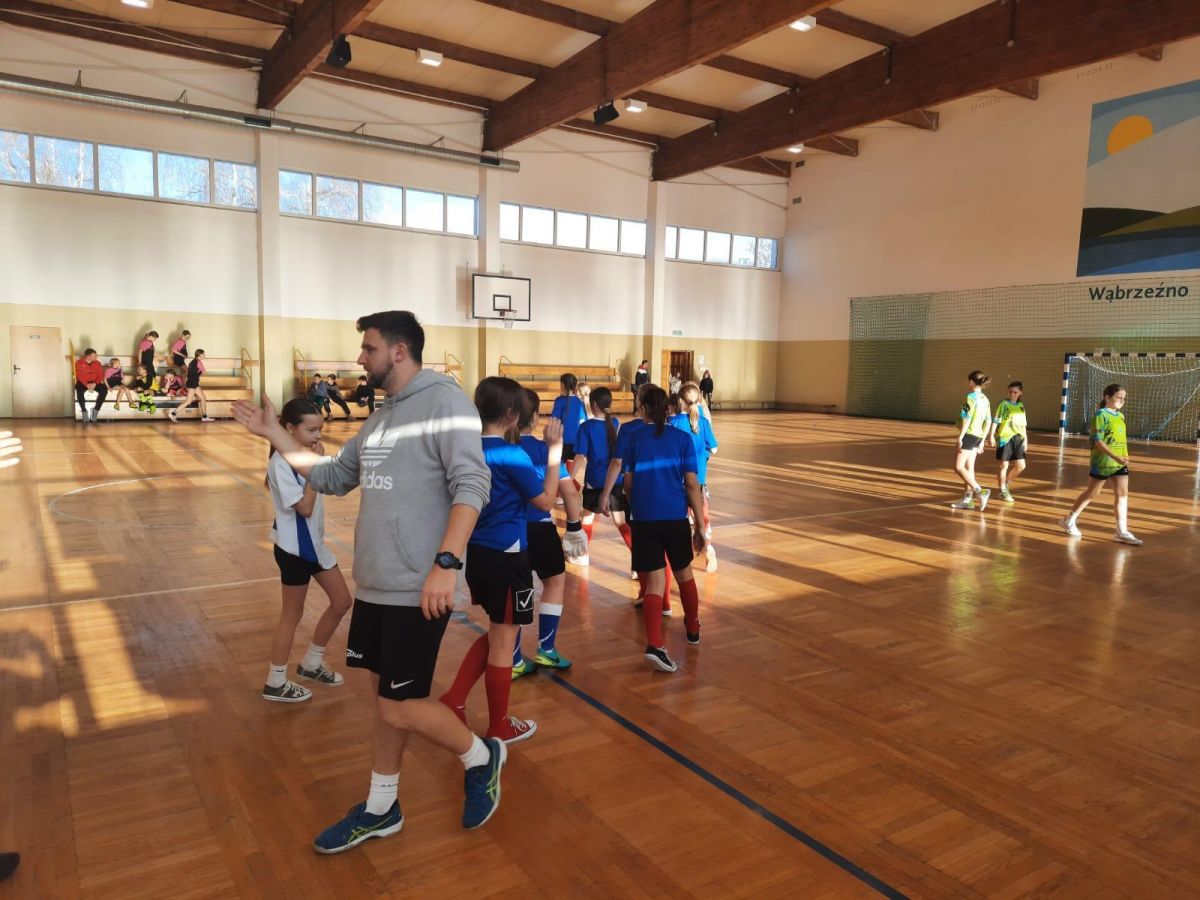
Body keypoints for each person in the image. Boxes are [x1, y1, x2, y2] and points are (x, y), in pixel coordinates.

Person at [232, 310, 504, 853]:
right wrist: (274, 435)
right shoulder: (381, 417)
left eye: (369, 348)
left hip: (419, 586)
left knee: (399, 705)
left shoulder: (445, 403)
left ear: (399, 351)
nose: (361, 358)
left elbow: (473, 483)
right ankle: (382, 807)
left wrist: (446, 564)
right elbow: (333, 476)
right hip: (378, 582)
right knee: (387, 700)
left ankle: (481, 756)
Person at [439, 377, 565, 743]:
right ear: (512, 414)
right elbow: (546, 501)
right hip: (508, 557)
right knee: (504, 639)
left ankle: (454, 700)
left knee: (499, 631)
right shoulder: (512, 455)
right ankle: (499, 726)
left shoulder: (466, 450)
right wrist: (554, 453)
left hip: (477, 554)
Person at [609, 386, 706, 673]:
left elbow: (627, 482)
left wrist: (632, 501)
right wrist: (700, 526)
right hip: (675, 517)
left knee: (654, 584)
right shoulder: (682, 438)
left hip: (644, 519)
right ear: (668, 408)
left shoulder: (633, 437)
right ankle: (692, 628)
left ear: (643, 408)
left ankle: (654, 644)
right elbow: (692, 485)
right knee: (684, 574)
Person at [262, 398, 354, 703]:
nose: (318, 435)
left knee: (342, 602)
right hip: (295, 550)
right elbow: (304, 507)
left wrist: (319, 465)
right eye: (311, 430)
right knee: (292, 615)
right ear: (290, 428)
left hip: (314, 546)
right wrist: (316, 470)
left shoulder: (303, 457)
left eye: (320, 429)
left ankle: (312, 662)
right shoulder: (280, 463)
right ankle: (276, 681)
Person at [512, 388, 587, 677]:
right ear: (534, 418)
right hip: (541, 529)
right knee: (554, 582)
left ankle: (513, 658)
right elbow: (569, 492)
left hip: (509, 532)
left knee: (514, 592)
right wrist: (574, 527)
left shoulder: (496, 449)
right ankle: (546, 649)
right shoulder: (545, 450)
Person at [1059, 384, 1142, 545]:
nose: (1122, 401)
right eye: (1119, 397)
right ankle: (1069, 520)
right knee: (1092, 492)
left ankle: (1121, 532)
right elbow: (1098, 441)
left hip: (1119, 463)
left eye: (1124, 398)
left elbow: (1119, 438)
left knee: (1122, 494)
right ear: (1107, 397)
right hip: (1103, 461)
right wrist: (1115, 456)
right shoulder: (1100, 415)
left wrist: (1123, 455)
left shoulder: (1120, 416)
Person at [570, 386, 627, 568]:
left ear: (593, 404)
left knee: (587, 518)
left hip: (594, 481)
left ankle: (583, 556)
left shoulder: (586, 427)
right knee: (621, 522)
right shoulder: (616, 423)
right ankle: (639, 563)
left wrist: (568, 478)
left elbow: (580, 456)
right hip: (616, 480)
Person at [671, 383, 719, 572]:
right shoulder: (704, 422)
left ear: (680, 401)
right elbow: (714, 449)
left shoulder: (674, 422)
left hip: (678, 481)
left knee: (680, 520)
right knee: (703, 517)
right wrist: (702, 458)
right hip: (699, 481)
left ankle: (681, 559)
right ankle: (709, 549)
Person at [951, 370, 992, 511]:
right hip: (978, 436)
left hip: (969, 435)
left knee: (958, 467)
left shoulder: (970, 397)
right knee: (969, 469)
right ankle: (968, 500)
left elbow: (966, 418)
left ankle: (980, 491)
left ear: (971, 382)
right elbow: (988, 420)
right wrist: (982, 440)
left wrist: (960, 437)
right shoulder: (985, 399)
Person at [987, 381, 1028, 503]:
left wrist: (1026, 440)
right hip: (1005, 438)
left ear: (1020, 393)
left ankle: (1005, 484)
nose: (1012, 394)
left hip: (1018, 438)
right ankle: (1003, 491)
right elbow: (996, 420)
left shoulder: (1021, 406)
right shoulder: (1003, 404)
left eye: (1015, 392)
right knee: (1004, 465)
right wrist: (991, 435)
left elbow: (1023, 425)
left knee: (1021, 466)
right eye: (1010, 392)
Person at [170, 350, 215, 423]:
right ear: (199, 355)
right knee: (188, 401)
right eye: (203, 355)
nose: (204, 356)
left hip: (193, 383)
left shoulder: (192, 362)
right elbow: (205, 373)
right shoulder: (199, 362)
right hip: (192, 384)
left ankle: (204, 417)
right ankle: (173, 413)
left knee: (203, 399)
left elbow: (188, 373)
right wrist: (200, 371)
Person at [550, 373, 587, 461]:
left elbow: (554, 420)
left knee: (561, 464)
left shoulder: (559, 401)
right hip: (576, 441)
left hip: (562, 440)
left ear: (562, 385)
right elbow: (583, 421)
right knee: (572, 464)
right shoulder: (579, 402)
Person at [73, 348, 107, 423]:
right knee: (79, 390)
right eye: (94, 356)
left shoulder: (97, 363)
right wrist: (87, 385)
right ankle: (84, 411)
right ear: (88, 356)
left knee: (104, 390)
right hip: (83, 382)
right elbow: (79, 376)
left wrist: (95, 383)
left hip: (95, 382)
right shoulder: (79, 363)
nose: (96, 357)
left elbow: (100, 375)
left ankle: (96, 410)